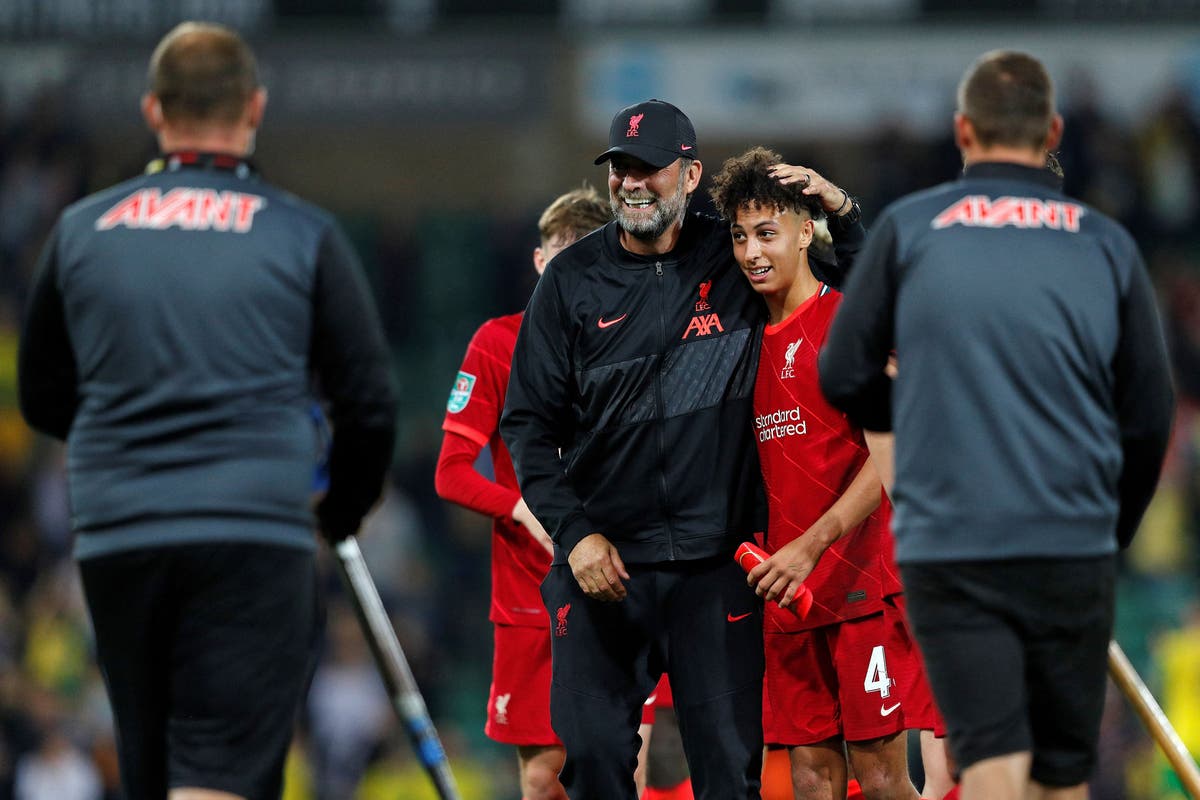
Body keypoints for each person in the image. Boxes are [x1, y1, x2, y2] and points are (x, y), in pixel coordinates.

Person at [17, 22, 396, 800]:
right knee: (215, 774)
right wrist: (343, 508)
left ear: (155, 111)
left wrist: (130, 432)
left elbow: (42, 397)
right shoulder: (301, 231)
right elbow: (369, 402)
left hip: (119, 533)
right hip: (250, 532)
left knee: (160, 772)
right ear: (253, 108)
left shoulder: (81, 231)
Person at [818, 50, 1174, 800]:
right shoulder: (1104, 242)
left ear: (962, 131)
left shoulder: (910, 229)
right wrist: (1111, 532)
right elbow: (1148, 415)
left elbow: (844, 374)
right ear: (1052, 130)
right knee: (1059, 773)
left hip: (954, 540)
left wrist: (912, 445)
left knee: (992, 763)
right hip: (1070, 540)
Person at [500, 99, 865, 800]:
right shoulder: (569, 282)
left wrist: (840, 207)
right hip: (605, 567)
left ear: (691, 173)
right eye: (621, 169)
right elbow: (527, 427)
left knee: (729, 776)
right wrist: (575, 538)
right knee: (598, 761)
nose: (632, 183)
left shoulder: (733, 254)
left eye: (650, 169)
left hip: (717, 568)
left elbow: (861, 288)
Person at [708, 146, 937, 800]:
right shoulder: (740, 340)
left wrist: (810, 546)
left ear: (807, 232)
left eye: (767, 233)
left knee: (883, 775)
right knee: (809, 779)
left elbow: (890, 456)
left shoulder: (847, 325)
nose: (752, 251)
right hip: (786, 593)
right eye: (740, 236)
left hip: (861, 585)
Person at [434, 185, 611, 800]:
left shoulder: (637, 338)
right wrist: (519, 508)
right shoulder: (496, 344)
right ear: (540, 261)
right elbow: (451, 471)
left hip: (623, 584)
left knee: (638, 767)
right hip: (529, 595)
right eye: (560, 256)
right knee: (543, 778)